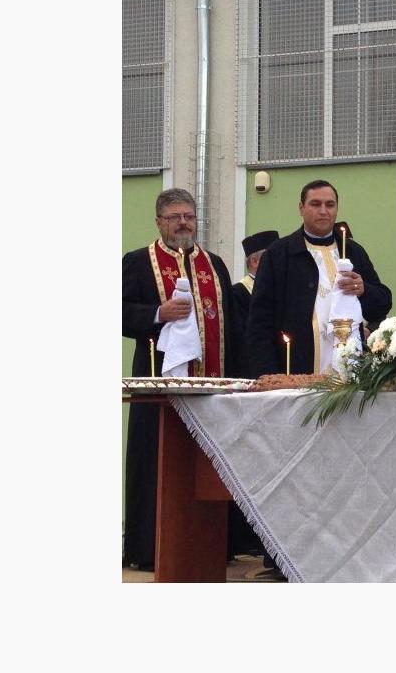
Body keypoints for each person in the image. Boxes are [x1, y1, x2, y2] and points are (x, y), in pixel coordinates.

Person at [121, 188, 237, 571]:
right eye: (175, 217)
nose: (184, 223)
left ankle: (212, 547)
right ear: (159, 222)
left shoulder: (214, 264)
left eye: (189, 216)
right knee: (158, 466)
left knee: (208, 467)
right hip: (159, 389)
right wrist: (158, 313)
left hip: (211, 389)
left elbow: (232, 323)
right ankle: (149, 549)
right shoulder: (138, 262)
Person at [242, 180, 393, 377]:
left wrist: (365, 290)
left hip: (351, 374)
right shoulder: (279, 254)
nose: (323, 211)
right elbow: (260, 320)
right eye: (315, 204)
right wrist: (268, 374)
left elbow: (382, 304)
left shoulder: (353, 251)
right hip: (295, 370)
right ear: (301, 208)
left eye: (330, 205)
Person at [229, 230, 278, 376]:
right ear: (255, 261)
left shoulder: (280, 288)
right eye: (272, 257)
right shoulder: (238, 292)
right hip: (253, 366)